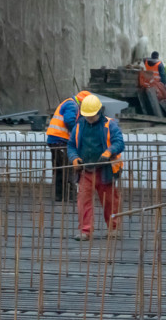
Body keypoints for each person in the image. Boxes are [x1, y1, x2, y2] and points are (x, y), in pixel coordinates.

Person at [67, 95, 124, 241]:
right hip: (86, 170)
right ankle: (85, 231)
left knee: (110, 200)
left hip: (105, 170)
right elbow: (71, 145)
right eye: (87, 116)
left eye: (92, 116)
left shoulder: (109, 125)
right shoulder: (79, 126)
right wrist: (74, 158)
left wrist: (108, 152)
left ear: (99, 112)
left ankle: (114, 228)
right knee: (83, 200)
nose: (89, 118)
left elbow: (119, 142)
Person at [45, 90, 91, 202]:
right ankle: (70, 196)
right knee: (68, 168)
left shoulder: (71, 104)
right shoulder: (72, 105)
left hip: (56, 140)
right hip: (59, 140)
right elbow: (69, 121)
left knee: (60, 169)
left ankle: (60, 195)